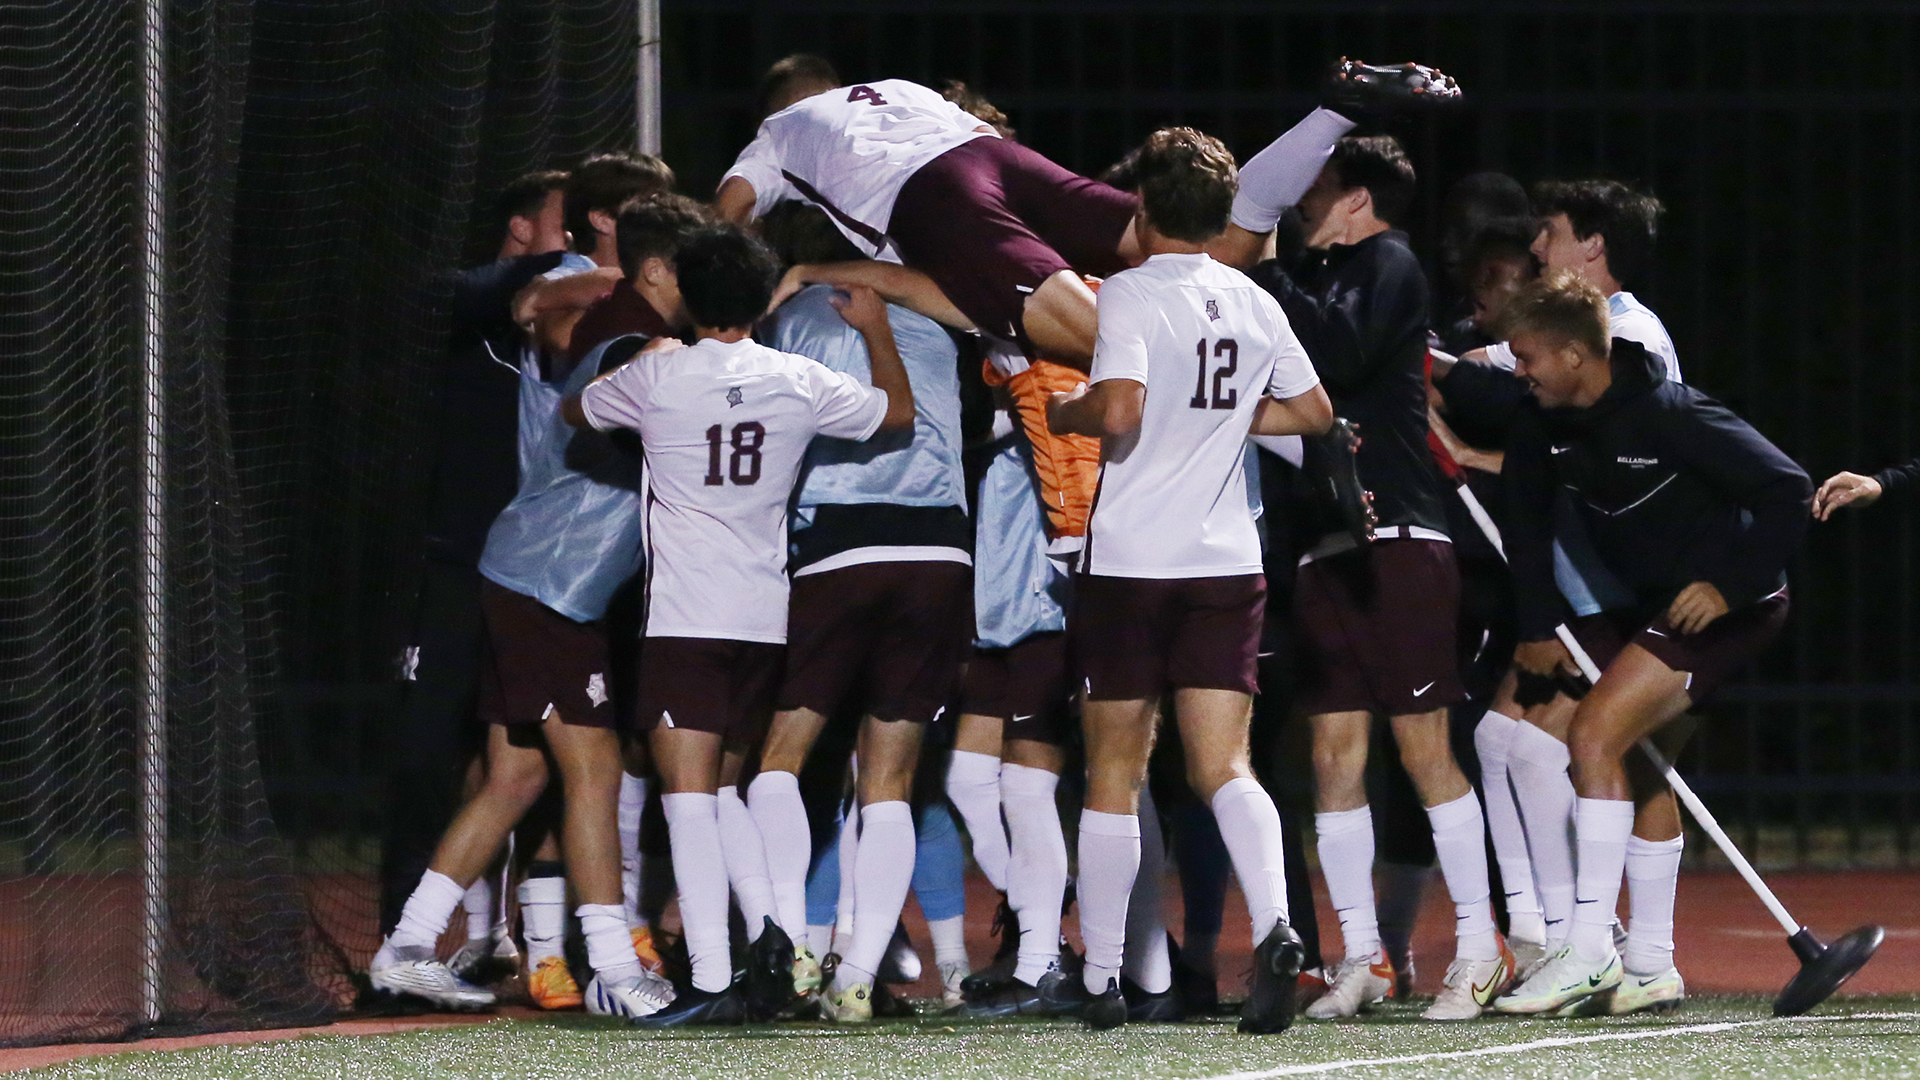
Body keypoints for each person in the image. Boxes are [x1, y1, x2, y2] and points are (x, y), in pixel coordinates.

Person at [563, 225, 915, 1025]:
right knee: (724, 790)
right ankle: (772, 941)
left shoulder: (658, 375)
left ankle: (715, 979)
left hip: (685, 614)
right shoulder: (797, 377)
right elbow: (895, 412)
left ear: (687, 296)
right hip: (762, 615)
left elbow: (575, 408)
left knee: (688, 798)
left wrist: (645, 358)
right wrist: (877, 330)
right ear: (761, 301)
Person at [368, 197, 706, 1023]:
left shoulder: (631, 333)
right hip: (552, 584)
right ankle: (615, 971)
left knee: (516, 776)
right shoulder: (639, 347)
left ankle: (405, 949)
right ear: (658, 271)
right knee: (593, 771)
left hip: (532, 573)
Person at [1044, 127, 1333, 1033]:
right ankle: (1279, 926)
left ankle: (1103, 980)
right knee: (1226, 766)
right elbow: (1314, 412)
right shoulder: (1253, 299)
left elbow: (1120, 408)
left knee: (1112, 771)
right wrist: (1227, 418)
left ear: (1142, 208)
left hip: (1134, 562)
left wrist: (1067, 408)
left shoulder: (1129, 291)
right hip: (1226, 563)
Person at [1490, 273, 1810, 1016]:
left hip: (1735, 608)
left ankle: (1588, 952)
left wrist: (1728, 586)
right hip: (1655, 608)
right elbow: (1525, 528)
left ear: (1574, 355)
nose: (1518, 370)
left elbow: (1788, 488)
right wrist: (1536, 628)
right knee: (1636, 762)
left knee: (1595, 735)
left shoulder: (1673, 412)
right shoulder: (1540, 422)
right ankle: (1651, 966)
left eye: (1527, 356)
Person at [718, 57, 1457, 367]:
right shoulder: (896, 88)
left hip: (936, 194)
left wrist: (734, 306)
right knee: (1218, 242)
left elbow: (719, 231)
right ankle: (1335, 111)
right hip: (999, 161)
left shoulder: (777, 136)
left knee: (1107, 345)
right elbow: (961, 266)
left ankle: (1282, 413)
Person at [744, 201, 973, 1022]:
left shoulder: (789, 320)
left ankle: (788, 953)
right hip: (940, 548)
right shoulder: (936, 312)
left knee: (780, 760)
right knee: (891, 781)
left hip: (839, 541)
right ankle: (858, 977)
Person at [382, 169, 569, 961]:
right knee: (431, 755)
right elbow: (451, 296)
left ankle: (543, 947)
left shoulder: (593, 324)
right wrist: (584, 266)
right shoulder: (471, 305)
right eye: (567, 225)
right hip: (460, 566)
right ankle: (403, 948)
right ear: (522, 228)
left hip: (548, 572)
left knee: (549, 759)